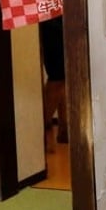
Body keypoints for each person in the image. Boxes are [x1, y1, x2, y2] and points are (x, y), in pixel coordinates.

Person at [39, 15, 67, 148]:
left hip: (62, 14)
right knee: (58, 76)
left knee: (65, 77)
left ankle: (65, 131)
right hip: (50, 16)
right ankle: (38, 130)